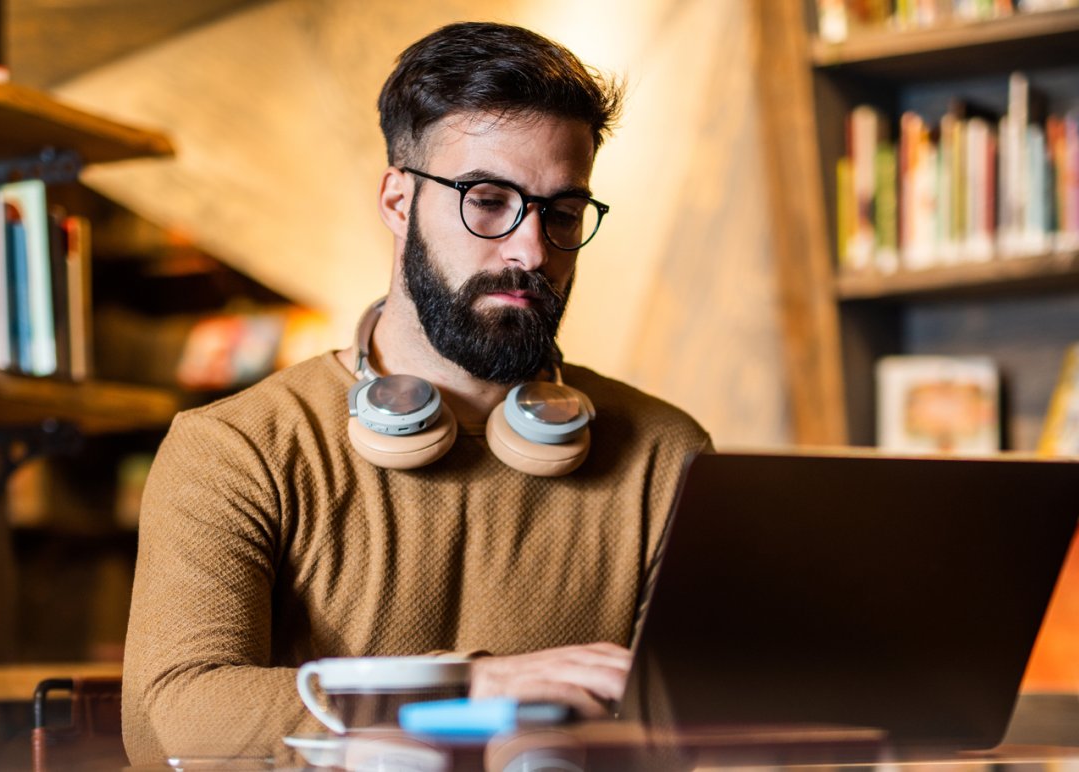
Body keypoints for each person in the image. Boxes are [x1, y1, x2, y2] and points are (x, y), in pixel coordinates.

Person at [122, 21, 712, 764]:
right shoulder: (235, 449)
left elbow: (711, 712)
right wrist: (471, 688)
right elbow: (172, 720)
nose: (530, 249)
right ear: (398, 202)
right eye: (487, 199)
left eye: (561, 213)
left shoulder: (667, 454)